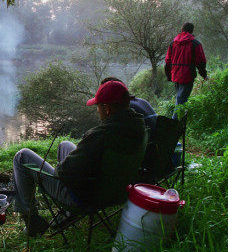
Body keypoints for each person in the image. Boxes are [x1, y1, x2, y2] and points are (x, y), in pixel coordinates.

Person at [12, 81, 146, 237]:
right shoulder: (140, 127)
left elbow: (62, 172)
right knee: (65, 145)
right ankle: (64, 215)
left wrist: (63, 167)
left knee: (22, 156)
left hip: (83, 199)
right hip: (115, 192)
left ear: (107, 109)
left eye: (98, 106)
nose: (97, 110)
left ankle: (31, 220)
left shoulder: (100, 136)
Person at [165, 22, 208, 119]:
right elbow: (200, 61)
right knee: (181, 101)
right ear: (192, 31)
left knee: (180, 99)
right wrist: (204, 74)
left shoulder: (173, 43)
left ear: (182, 30)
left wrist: (169, 75)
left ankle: (179, 123)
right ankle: (174, 124)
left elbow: (168, 61)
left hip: (175, 75)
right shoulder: (195, 43)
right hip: (187, 75)